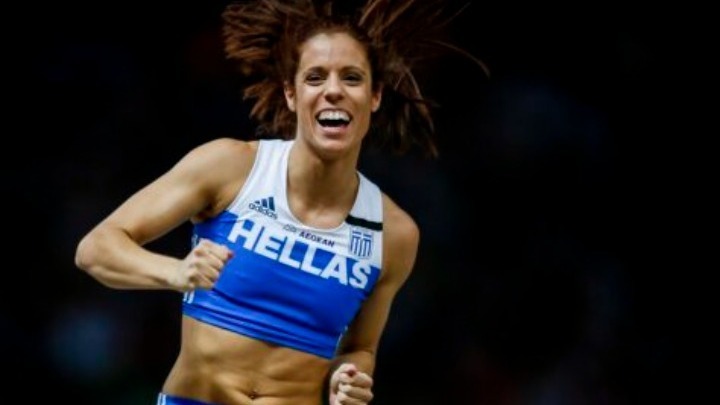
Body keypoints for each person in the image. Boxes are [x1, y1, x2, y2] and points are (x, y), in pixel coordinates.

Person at [75, 0, 485, 403]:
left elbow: (360, 348)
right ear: (291, 93)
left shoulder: (394, 234)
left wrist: (347, 379)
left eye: (352, 78)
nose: (333, 91)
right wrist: (175, 271)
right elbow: (95, 249)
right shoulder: (231, 167)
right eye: (315, 77)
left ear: (375, 96)